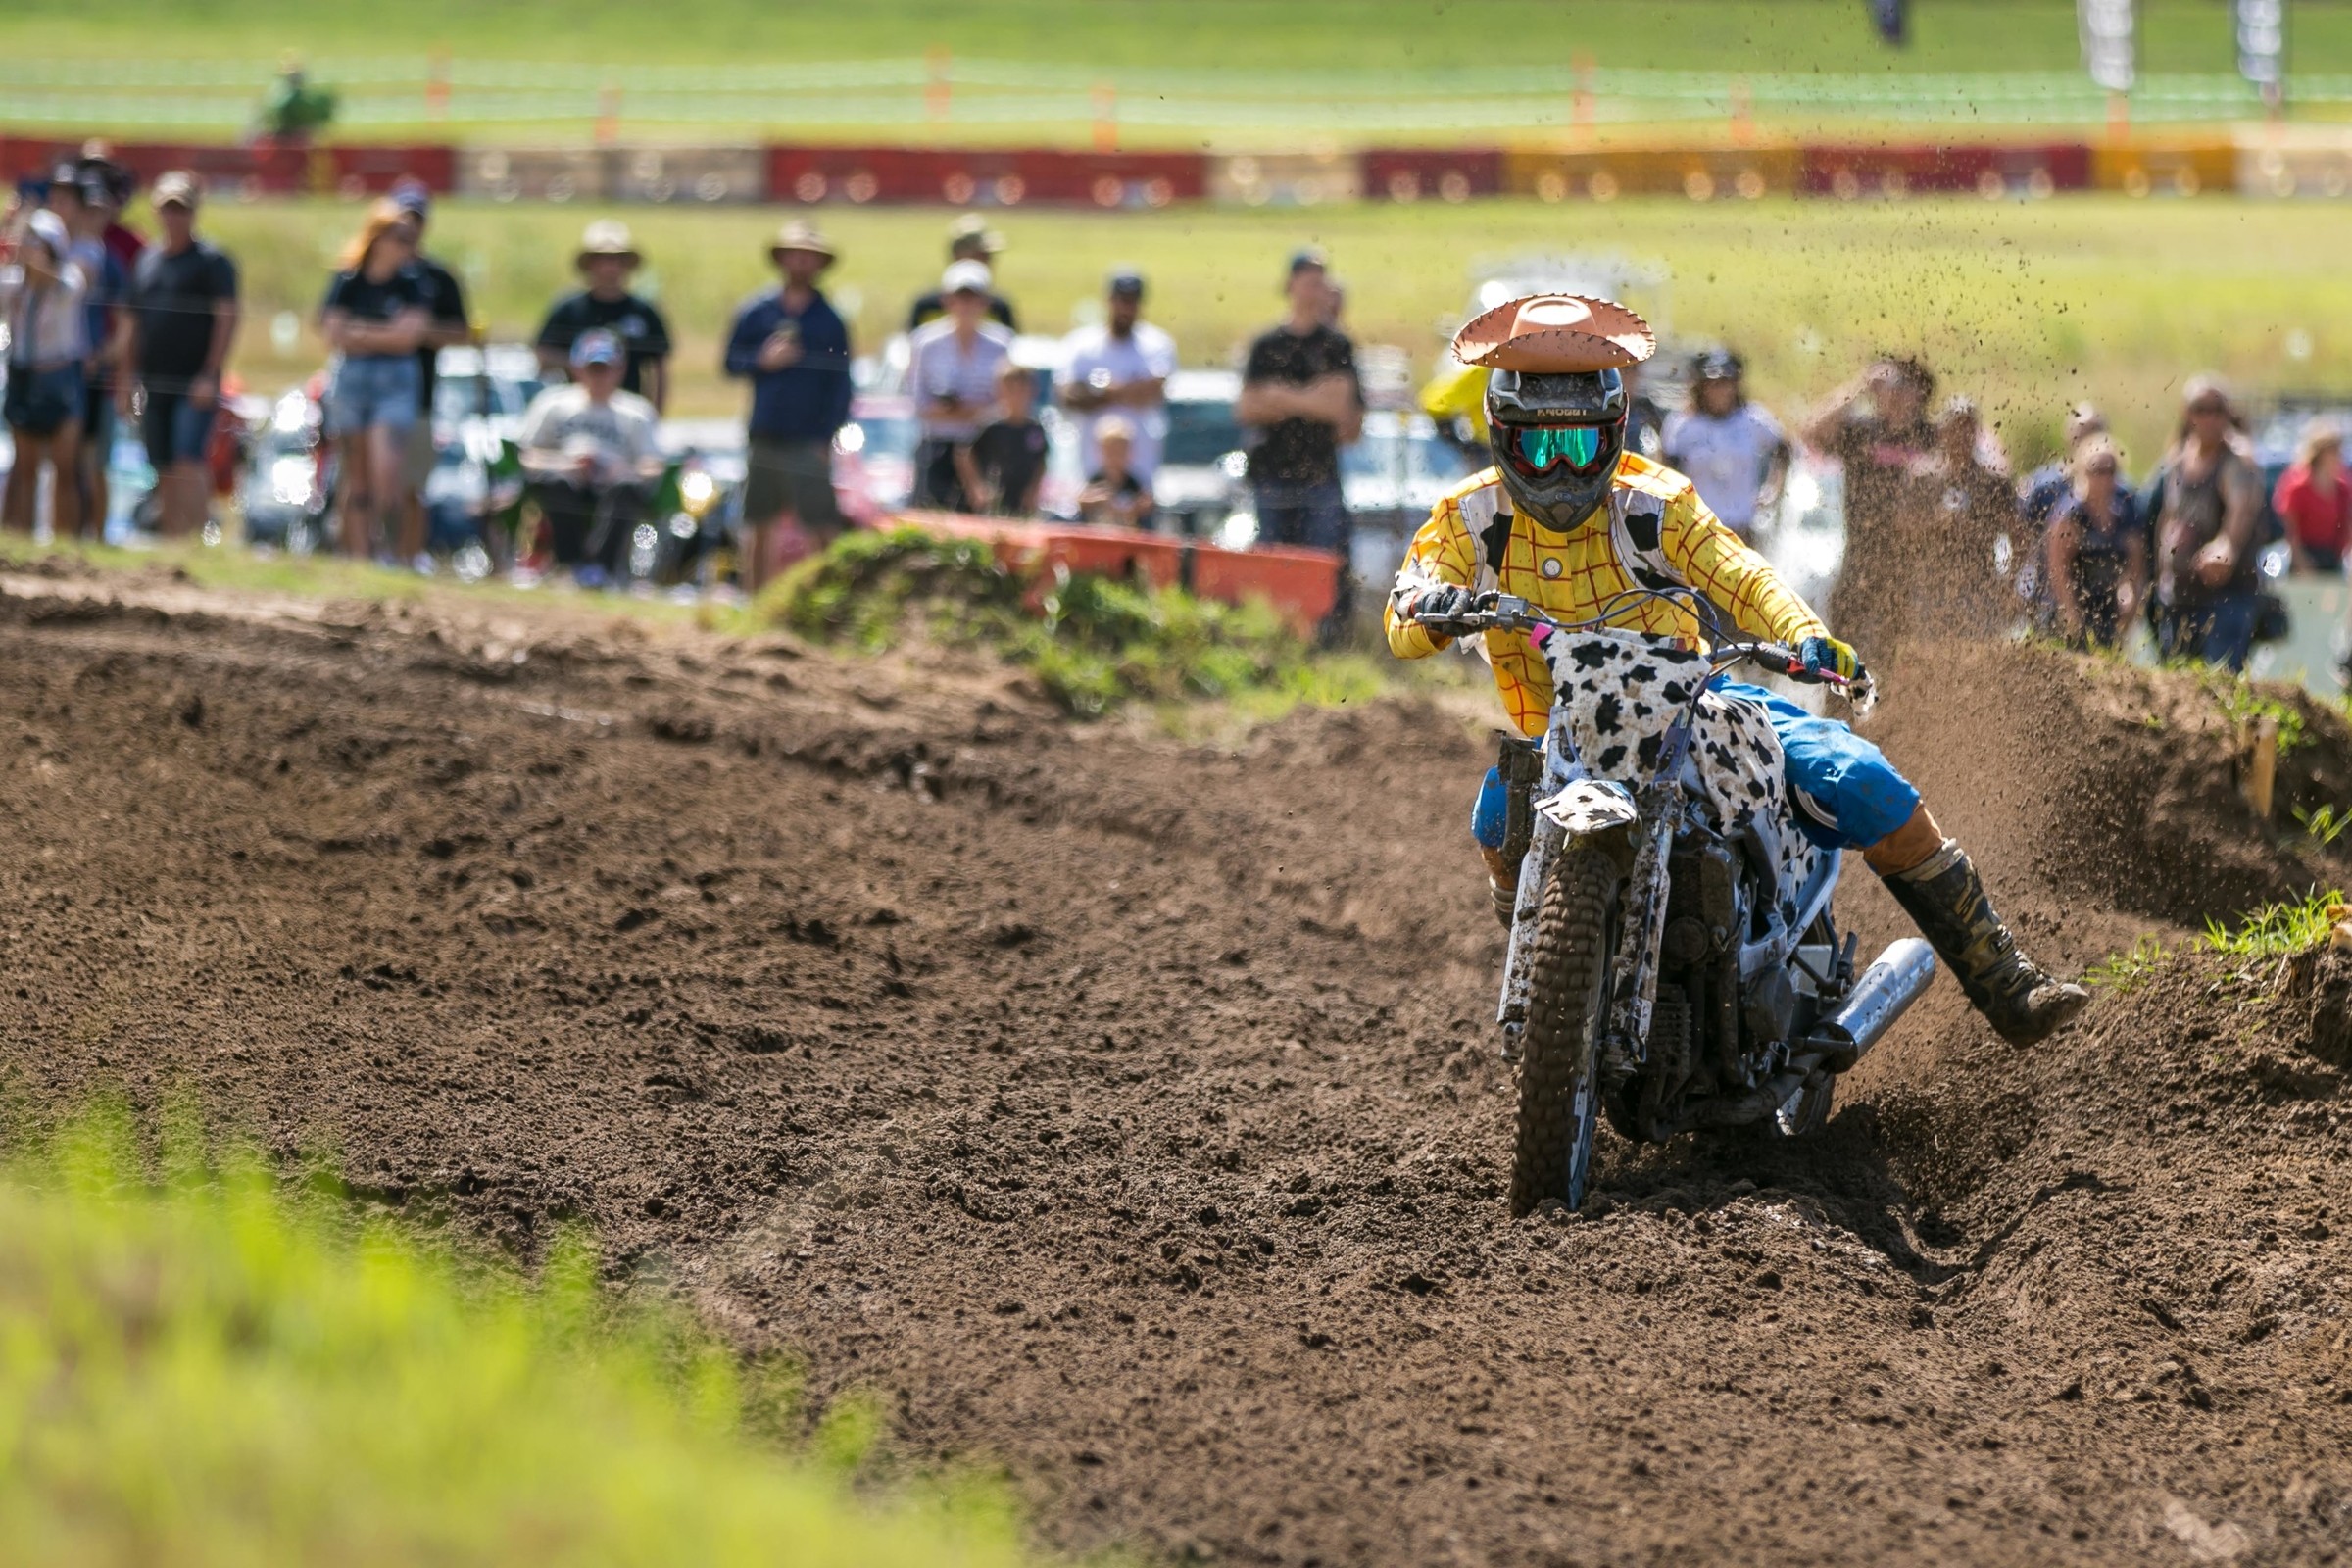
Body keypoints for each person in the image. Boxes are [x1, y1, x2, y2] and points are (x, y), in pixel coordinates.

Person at [1385, 293, 2086, 1048]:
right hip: (1555, 742)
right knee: (1495, 821)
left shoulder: (1655, 505)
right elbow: (1407, 603)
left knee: (1860, 779)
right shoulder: (1471, 516)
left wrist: (1808, 637)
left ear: (1614, 437)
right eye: (1542, 448)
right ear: (1503, 439)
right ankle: (1538, 931)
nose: (1562, 467)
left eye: (1581, 448)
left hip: (1687, 717)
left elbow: (1742, 575)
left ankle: (2006, 982)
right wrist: (1428, 608)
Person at [723, 220, 853, 595]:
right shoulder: (756, 310)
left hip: (808, 437)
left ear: (819, 263)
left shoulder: (829, 319)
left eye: (808, 257)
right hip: (764, 431)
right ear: (782, 259)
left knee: (820, 526)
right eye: (795, 255)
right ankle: (755, 601)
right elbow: (730, 362)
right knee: (758, 524)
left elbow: (842, 383)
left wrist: (827, 438)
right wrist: (762, 361)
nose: (800, 263)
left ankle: (821, 603)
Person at [124, 172, 237, 540]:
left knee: (189, 460)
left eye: (182, 209)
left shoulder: (212, 261)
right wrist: (127, 379)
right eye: (168, 208)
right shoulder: (147, 260)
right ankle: (173, 539)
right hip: (154, 379)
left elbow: (226, 318)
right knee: (163, 465)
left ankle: (196, 537)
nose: (174, 217)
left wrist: (211, 372)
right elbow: (133, 324)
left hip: (194, 379)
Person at [318, 200, 430, 560]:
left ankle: (393, 554)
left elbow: (408, 337)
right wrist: (384, 333)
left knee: (388, 475)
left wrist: (360, 332)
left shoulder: (412, 283)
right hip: (352, 380)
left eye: (410, 238)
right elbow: (332, 331)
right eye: (399, 236)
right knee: (357, 477)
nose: (406, 244)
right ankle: (360, 556)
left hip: (394, 382)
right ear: (377, 237)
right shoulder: (348, 278)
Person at [1801, 354, 1936, 645]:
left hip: (1913, 566)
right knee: (1842, 650)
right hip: (1860, 557)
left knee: (1897, 655)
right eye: (1892, 385)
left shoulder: (1931, 435)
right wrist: (1860, 385)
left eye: (1906, 386)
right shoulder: (1862, 431)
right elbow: (1812, 431)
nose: (1898, 394)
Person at [1237, 247, 1362, 555]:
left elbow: (1341, 408)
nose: (1314, 291)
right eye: (1308, 282)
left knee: (1320, 565)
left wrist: (1280, 396)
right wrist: (1314, 397)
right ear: (1290, 285)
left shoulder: (1336, 345)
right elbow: (1246, 408)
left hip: (1319, 475)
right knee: (1271, 565)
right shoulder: (1266, 345)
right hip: (1272, 474)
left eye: (1319, 283)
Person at [516, 330, 662, 586]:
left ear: (620, 370)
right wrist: (564, 464)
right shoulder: (554, 403)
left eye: (605, 368)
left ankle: (602, 569)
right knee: (557, 486)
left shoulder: (636, 411)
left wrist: (622, 469)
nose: (599, 376)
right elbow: (527, 455)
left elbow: (654, 464)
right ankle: (569, 566)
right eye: (593, 368)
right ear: (577, 368)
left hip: (614, 483)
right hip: (566, 478)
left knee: (626, 491)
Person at [2149, 376, 2264, 671]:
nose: (2210, 417)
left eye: (2217, 409)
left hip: (2226, 593)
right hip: (2179, 592)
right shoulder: (2177, 458)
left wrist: (2226, 545)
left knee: (2219, 679)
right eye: (2201, 409)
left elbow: (2241, 510)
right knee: (2176, 683)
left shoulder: (2236, 462)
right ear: (2188, 413)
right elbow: (2169, 516)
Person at [384, 180, 471, 569]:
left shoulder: (439, 277)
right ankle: (372, 554)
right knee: (371, 483)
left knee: (412, 484)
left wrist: (419, 333)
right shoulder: (370, 271)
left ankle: (409, 555)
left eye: (416, 219)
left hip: (420, 392)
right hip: (373, 393)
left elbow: (461, 332)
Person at [1, 208, 89, 542]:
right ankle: (23, 542)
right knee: (26, 471)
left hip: (60, 377)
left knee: (65, 469)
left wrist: (28, 257)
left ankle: (64, 544)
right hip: (24, 375)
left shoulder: (68, 278)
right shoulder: (13, 283)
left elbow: (56, 281)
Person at [56, 167, 129, 541]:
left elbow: (126, 323)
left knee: (95, 462)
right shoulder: (65, 253)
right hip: (68, 368)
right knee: (67, 462)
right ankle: (67, 535)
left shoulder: (112, 261)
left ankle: (97, 536)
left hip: (97, 373)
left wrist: (104, 358)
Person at [1059, 269, 1176, 504]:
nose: (1126, 308)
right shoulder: (1082, 344)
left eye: (1132, 301)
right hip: (1090, 462)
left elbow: (1153, 390)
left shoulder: (1157, 344)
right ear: (1109, 301)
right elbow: (1068, 394)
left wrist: (1100, 390)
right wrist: (1125, 390)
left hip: (1139, 466)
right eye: (1121, 300)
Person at [906, 260, 1013, 513]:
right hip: (937, 445)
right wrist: (968, 410)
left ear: (985, 302)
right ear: (947, 300)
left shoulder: (1001, 344)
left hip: (982, 447)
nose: (966, 305)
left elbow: (1007, 402)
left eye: (973, 297)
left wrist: (961, 410)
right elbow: (917, 403)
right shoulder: (926, 343)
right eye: (960, 297)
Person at [534, 220, 671, 411]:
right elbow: (542, 355)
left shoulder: (643, 312)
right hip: (575, 411)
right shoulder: (569, 309)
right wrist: (587, 365)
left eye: (617, 260)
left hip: (626, 412)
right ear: (590, 264)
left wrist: (654, 414)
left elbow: (659, 369)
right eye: (603, 260)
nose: (610, 268)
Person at [1660, 347, 1787, 541]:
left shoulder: (1752, 420)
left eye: (1725, 383)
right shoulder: (1683, 425)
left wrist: (1772, 489)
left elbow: (1783, 450)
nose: (1720, 391)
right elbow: (1666, 467)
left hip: (1740, 527)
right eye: (1713, 384)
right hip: (1697, 527)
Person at [2042, 435, 2146, 651]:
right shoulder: (2071, 515)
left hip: (2108, 609)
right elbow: (2057, 568)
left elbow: (2136, 564)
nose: (2103, 477)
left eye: (2110, 470)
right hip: (2074, 608)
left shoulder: (2124, 514)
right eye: (2096, 470)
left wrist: (2131, 597)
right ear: (2083, 471)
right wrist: (2070, 612)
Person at [959, 362, 1048, 518]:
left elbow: (1041, 460)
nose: (1017, 396)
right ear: (999, 391)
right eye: (1011, 390)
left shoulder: (1035, 428)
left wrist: (1034, 489)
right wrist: (977, 487)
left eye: (1022, 390)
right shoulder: (990, 425)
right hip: (993, 497)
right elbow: (965, 454)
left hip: (1022, 499)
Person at [906, 215, 1017, 332]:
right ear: (960, 255)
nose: (990, 261)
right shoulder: (927, 308)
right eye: (983, 255)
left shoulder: (999, 308)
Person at [2274, 419, 2349, 576]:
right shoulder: (2297, 488)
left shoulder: (2343, 488)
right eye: (2333, 451)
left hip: (2332, 557)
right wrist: (2304, 565)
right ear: (2320, 453)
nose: (2339, 456)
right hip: (2301, 557)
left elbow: (2347, 529)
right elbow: (2290, 533)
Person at [1077, 415, 1151, 529]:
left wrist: (1134, 508)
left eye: (1120, 451)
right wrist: (1099, 501)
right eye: (1110, 451)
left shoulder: (1132, 481)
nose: (1115, 457)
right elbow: (1081, 500)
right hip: (1099, 530)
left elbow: (1145, 501)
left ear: (1129, 452)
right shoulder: (1097, 479)